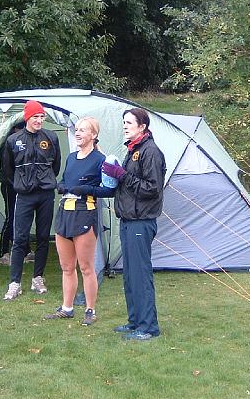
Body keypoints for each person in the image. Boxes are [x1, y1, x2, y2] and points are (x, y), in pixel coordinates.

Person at [101, 107, 166, 341]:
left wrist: (121, 175)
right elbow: (128, 185)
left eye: (129, 122)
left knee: (140, 274)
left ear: (142, 126)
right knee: (129, 274)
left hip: (141, 221)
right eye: (124, 122)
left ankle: (148, 327)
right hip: (128, 219)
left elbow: (152, 189)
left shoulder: (150, 152)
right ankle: (134, 322)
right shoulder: (133, 150)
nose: (125, 126)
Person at [44, 117, 110, 326]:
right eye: (77, 130)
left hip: (85, 213)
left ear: (93, 135)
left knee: (86, 267)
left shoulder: (101, 159)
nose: (78, 133)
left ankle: (90, 309)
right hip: (65, 213)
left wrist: (87, 190)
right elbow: (66, 179)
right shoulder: (72, 157)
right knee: (66, 266)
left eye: (83, 130)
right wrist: (61, 185)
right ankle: (67, 308)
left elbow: (109, 190)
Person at [0, 100, 61, 299]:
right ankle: (14, 283)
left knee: (43, 237)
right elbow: (7, 170)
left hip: (45, 194)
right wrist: (20, 183)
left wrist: (46, 180)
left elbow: (56, 166)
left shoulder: (51, 137)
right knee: (20, 238)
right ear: (27, 118)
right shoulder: (12, 140)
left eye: (42, 117)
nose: (39, 120)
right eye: (35, 117)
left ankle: (37, 278)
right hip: (24, 195)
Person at [0, 123, 34, 266]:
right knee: (11, 217)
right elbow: (7, 168)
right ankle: (3, 252)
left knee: (23, 218)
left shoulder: (23, 141)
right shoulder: (9, 142)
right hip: (9, 185)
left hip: (21, 185)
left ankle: (25, 250)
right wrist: (15, 183)